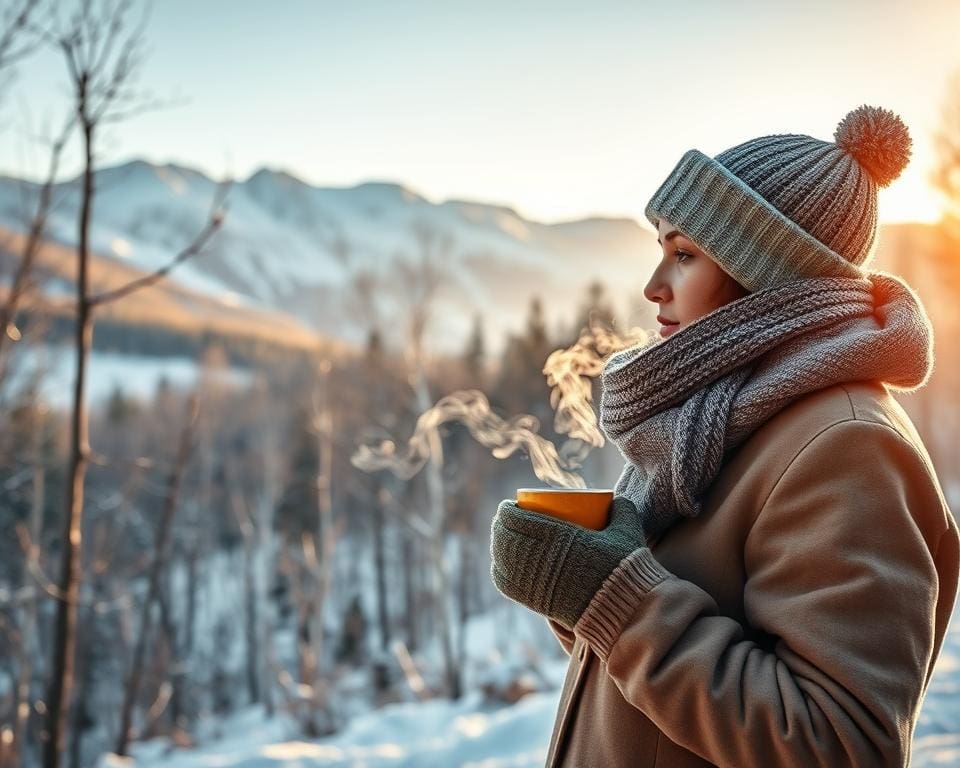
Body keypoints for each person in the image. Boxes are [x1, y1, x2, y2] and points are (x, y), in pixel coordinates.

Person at [489, 104, 960, 767]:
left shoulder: (849, 448)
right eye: (661, 250)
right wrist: (577, 587)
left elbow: (841, 744)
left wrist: (614, 597)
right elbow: (680, 671)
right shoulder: (710, 422)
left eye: (685, 255)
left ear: (766, 277)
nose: (654, 287)